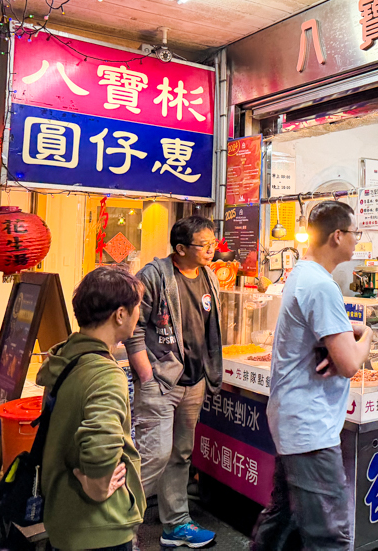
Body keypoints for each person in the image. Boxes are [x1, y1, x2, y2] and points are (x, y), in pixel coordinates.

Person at [253, 200, 372, 551]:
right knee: (331, 536)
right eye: (354, 233)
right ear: (337, 236)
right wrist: (367, 336)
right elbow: (350, 363)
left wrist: (342, 339)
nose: (356, 241)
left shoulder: (303, 274)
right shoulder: (321, 286)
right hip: (310, 428)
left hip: (295, 417)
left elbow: (328, 339)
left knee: (282, 517)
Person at [124, 215, 223, 548]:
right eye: (204, 244)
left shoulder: (209, 276)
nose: (212, 249)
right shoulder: (154, 277)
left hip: (193, 382)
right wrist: (146, 375)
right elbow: (132, 329)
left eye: (213, 242)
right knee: (154, 455)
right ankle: (117, 528)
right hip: (160, 383)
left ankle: (176, 523)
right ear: (180, 249)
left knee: (180, 454)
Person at [38, 266, 146, 551]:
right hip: (99, 525)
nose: (140, 315)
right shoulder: (104, 373)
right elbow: (100, 442)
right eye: (137, 307)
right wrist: (98, 486)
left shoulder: (66, 357)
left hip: (64, 516)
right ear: (120, 314)